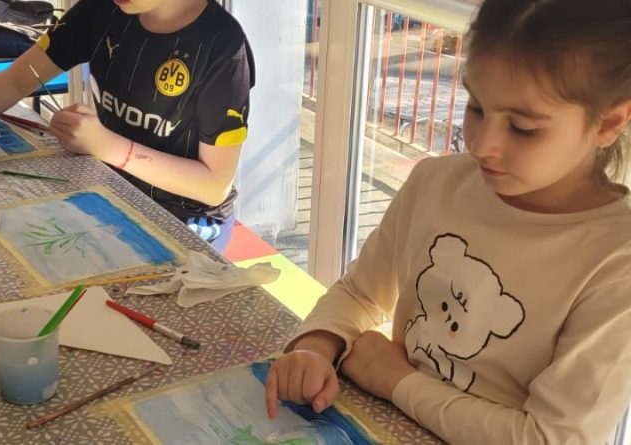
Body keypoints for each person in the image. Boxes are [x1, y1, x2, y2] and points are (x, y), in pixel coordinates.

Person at [265, 0, 631, 443]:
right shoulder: (435, 183)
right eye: (476, 107)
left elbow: (551, 437)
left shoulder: (616, 262)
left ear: (608, 122)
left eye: (522, 128)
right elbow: (361, 292)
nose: (482, 144)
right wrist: (315, 346)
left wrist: (397, 381)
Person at [0, 0, 254, 252]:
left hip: (186, 217)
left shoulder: (223, 46)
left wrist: (106, 146)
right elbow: (18, 78)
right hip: (110, 191)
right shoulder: (101, 9)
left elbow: (213, 186)